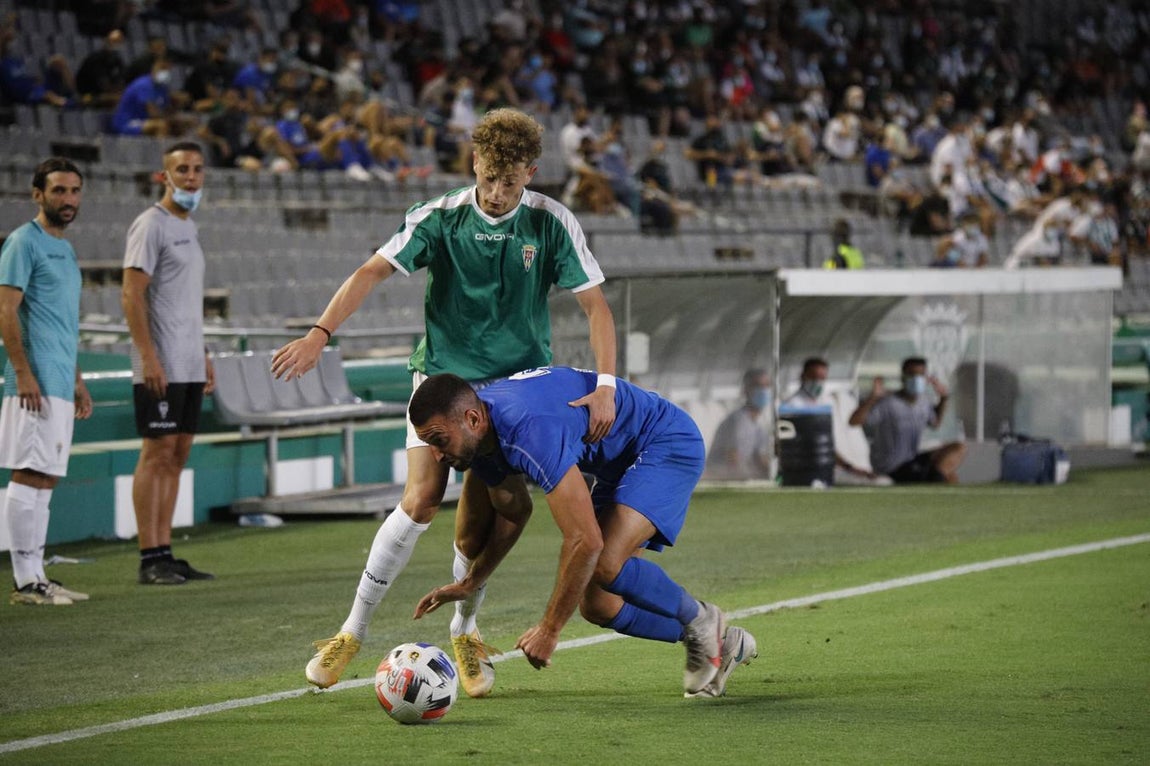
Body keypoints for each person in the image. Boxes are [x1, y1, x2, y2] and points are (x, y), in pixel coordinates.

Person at [270, 108, 618, 698]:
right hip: (441, 383)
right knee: (422, 497)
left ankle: (465, 630)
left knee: (485, 522)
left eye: (511, 182)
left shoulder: (552, 222)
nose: (498, 192)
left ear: (530, 172)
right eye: (488, 178)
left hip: (510, 397)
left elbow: (596, 308)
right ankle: (350, 632)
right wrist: (319, 332)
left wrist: (606, 383)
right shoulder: (440, 217)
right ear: (474, 164)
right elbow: (372, 270)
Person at [409, 368, 757, 698]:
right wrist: (473, 580)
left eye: (439, 441)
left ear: (471, 419)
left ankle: (701, 619)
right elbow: (512, 514)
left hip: (664, 442)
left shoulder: (529, 428)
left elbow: (584, 541)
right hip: (618, 464)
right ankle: (722, 643)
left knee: (604, 561)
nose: (437, 456)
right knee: (599, 606)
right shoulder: (479, 439)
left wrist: (549, 629)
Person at [121, 142, 216, 586]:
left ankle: (166, 551)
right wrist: (148, 357)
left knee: (177, 455)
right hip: (158, 363)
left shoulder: (188, 226)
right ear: (165, 176)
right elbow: (131, 294)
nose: (191, 177)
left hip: (188, 363)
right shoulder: (150, 224)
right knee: (156, 453)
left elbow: (185, 303)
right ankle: (148, 556)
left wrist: (204, 355)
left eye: (197, 169)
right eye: (182, 169)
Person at [0, 157, 93, 605]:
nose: (68, 199)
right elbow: (5, 310)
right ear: (38, 194)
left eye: (74, 191)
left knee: (47, 476)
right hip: (31, 381)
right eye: (59, 191)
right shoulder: (23, 242)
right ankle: (24, 580)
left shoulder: (67, 249)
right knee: (28, 471)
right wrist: (22, 372)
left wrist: (76, 378)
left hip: (58, 379)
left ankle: (37, 574)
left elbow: (63, 322)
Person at [848, 357, 966, 484]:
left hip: (912, 460)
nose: (917, 379)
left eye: (921, 375)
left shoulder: (923, 403)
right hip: (892, 467)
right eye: (912, 375)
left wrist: (943, 399)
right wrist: (872, 398)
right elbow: (854, 421)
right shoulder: (889, 403)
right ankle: (932, 485)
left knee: (957, 450)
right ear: (903, 377)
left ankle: (932, 481)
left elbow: (935, 423)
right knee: (948, 476)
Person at [783, 357, 890, 486]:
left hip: (840, 466)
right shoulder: (794, 405)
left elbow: (851, 423)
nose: (818, 382)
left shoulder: (829, 401)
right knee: (877, 483)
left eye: (822, 378)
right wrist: (849, 467)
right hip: (816, 468)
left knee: (883, 481)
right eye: (814, 377)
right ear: (803, 376)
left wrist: (872, 398)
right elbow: (816, 446)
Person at [705, 369, 773, 480]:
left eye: (767, 386)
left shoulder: (759, 424)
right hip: (719, 477)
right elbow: (732, 459)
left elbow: (760, 458)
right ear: (746, 390)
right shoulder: (737, 421)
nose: (763, 390)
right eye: (758, 386)